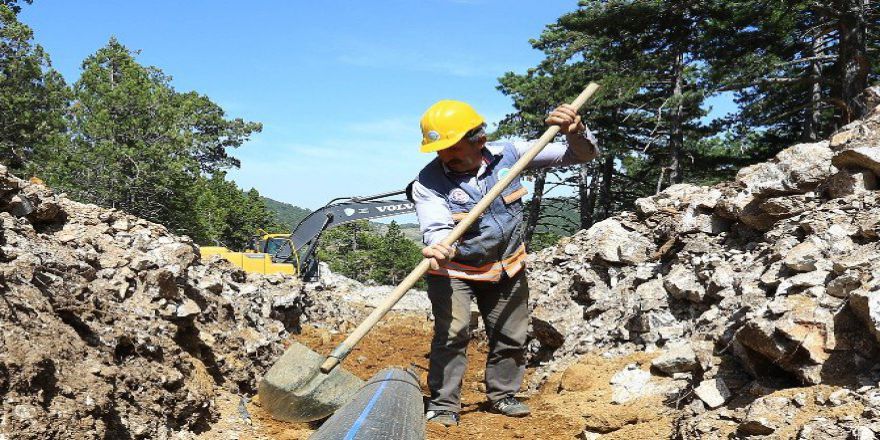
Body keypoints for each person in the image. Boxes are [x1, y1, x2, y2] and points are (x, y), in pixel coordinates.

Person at [410, 99, 600, 427]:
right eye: (439, 149)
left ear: (479, 140)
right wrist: (441, 246)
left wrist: (576, 131)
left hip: (506, 266)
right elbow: (436, 226)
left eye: (453, 148)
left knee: (512, 334)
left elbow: (579, 155)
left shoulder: (511, 153)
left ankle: (503, 395)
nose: (445, 156)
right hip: (454, 269)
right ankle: (443, 405)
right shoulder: (427, 183)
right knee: (453, 333)